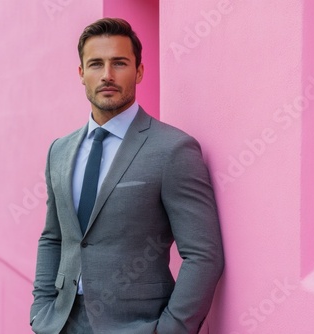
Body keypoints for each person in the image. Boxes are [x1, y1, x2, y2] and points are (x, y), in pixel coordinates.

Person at [31, 18, 224, 334]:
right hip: (62, 322)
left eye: (119, 63)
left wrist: (171, 329)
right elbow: (54, 237)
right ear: (81, 73)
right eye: (96, 64)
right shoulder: (59, 151)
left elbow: (204, 255)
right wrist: (42, 310)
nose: (107, 75)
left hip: (137, 325)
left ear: (139, 71)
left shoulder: (173, 149)